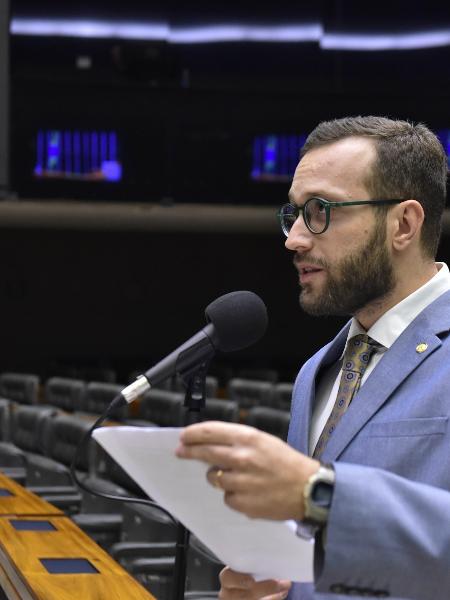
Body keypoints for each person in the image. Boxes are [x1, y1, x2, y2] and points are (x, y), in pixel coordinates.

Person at [176, 116, 450, 599]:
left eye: (320, 210)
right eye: (295, 213)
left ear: (404, 224)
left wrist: (318, 494)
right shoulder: (318, 369)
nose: (294, 238)